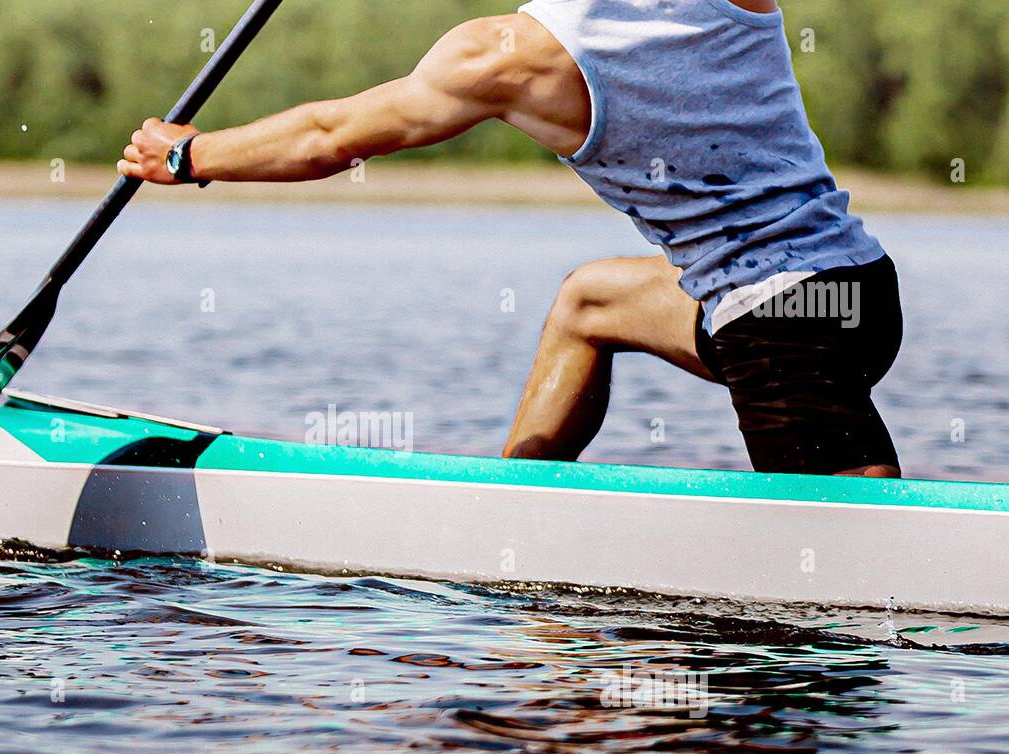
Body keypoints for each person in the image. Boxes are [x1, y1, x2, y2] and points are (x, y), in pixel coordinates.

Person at [118, 0, 902, 478]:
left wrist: (190, 155)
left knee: (843, 575)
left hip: (780, 328)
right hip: (860, 292)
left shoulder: (508, 57)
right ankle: (516, 505)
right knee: (590, 302)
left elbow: (330, 137)